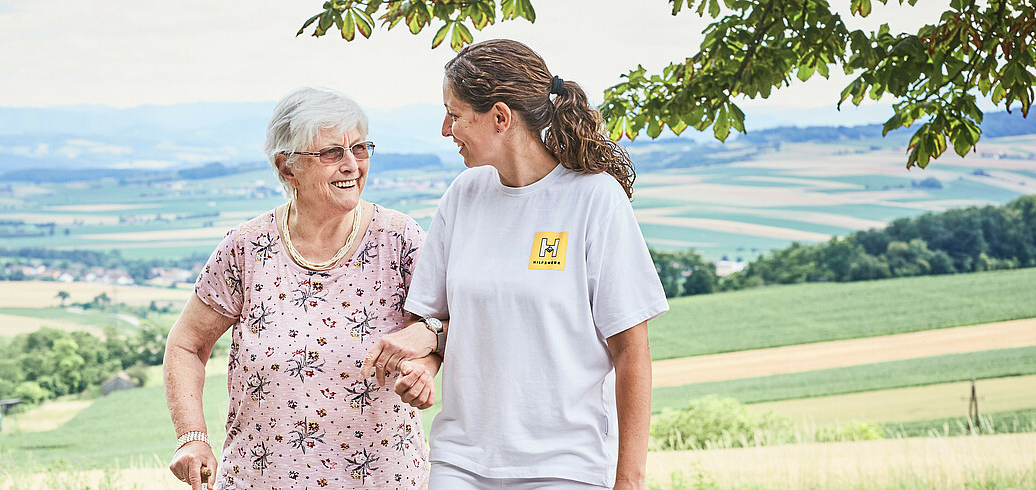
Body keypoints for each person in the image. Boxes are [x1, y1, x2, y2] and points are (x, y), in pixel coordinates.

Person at [363, 39, 669, 490]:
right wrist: (423, 368)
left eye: (455, 114)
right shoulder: (462, 197)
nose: (446, 129)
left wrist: (630, 480)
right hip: (460, 461)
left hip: (566, 466)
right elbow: (435, 323)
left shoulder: (594, 199)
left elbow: (631, 351)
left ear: (500, 118)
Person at [164, 87, 439, 490]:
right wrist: (192, 437)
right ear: (287, 168)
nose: (351, 165)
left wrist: (426, 366)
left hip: (382, 479)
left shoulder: (399, 239)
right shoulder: (246, 247)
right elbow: (186, 345)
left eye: (360, 149)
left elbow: (444, 328)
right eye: (331, 153)